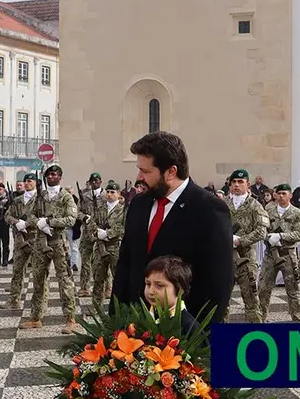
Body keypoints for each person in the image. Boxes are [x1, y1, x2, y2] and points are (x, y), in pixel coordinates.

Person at [112, 132, 233, 325]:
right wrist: (116, 319)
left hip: (182, 330)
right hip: (135, 325)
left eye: (146, 171)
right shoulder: (139, 205)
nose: (139, 177)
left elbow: (218, 281)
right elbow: (126, 264)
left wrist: (198, 337)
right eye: (139, 169)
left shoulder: (209, 209)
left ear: (171, 172)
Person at [20, 164, 80, 333]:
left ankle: (70, 318)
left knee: (65, 280)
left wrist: (49, 223)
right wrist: (37, 222)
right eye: (49, 175)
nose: (51, 177)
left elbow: (71, 219)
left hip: (58, 242)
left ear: (60, 177)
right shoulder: (40, 196)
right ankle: (36, 317)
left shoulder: (66, 197)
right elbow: (29, 214)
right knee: (38, 278)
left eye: (54, 175)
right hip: (40, 242)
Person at [224, 169, 268, 323]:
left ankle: (257, 336)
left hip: (246, 259)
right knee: (222, 300)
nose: (236, 185)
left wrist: (239, 241)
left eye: (240, 182)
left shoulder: (255, 206)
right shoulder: (223, 204)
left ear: (247, 184)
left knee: (251, 300)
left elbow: (262, 231)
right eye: (234, 182)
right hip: (225, 259)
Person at [257, 184, 300, 322]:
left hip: (288, 255)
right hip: (270, 255)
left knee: (294, 291)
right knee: (263, 289)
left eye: (284, 193)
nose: (281, 196)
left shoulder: (298, 213)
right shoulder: (268, 210)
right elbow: (261, 229)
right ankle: (260, 320)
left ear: (290, 195)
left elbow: (299, 233)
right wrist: (268, 238)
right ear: (275, 195)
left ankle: (298, 322)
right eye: (279, 193)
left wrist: (280, 236)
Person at [2, 173, 39, 311]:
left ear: (35, 183)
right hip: (20, 240)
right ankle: (14, 300)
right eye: (25, 181)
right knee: (17, 271)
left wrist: (27, 223)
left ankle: (37, 304)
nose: (27, 183)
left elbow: (45, 217)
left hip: (36, 239)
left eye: (30, 181)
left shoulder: (40, 199)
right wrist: (16, 223)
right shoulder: (17, 200)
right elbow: (7, 215)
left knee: (38, 272)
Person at [87, 180, 126, 313]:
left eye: (112, 192)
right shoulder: (99, 208)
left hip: (115, 246)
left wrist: (108, 233)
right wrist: (97, 233)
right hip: (100, 247)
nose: (109, 195)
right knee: (98, 277)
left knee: (118, 278)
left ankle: (118, 307)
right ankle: (95, 306)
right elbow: (91, 223)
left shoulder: (123, 210)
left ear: (118, 194)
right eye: (108, 192)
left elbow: (123, 228)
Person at [143, 255, 202, 338]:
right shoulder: (141, 317)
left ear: (180, 289)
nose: (151, 291)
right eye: (148, 284)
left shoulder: (189, 329)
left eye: (159, 286)